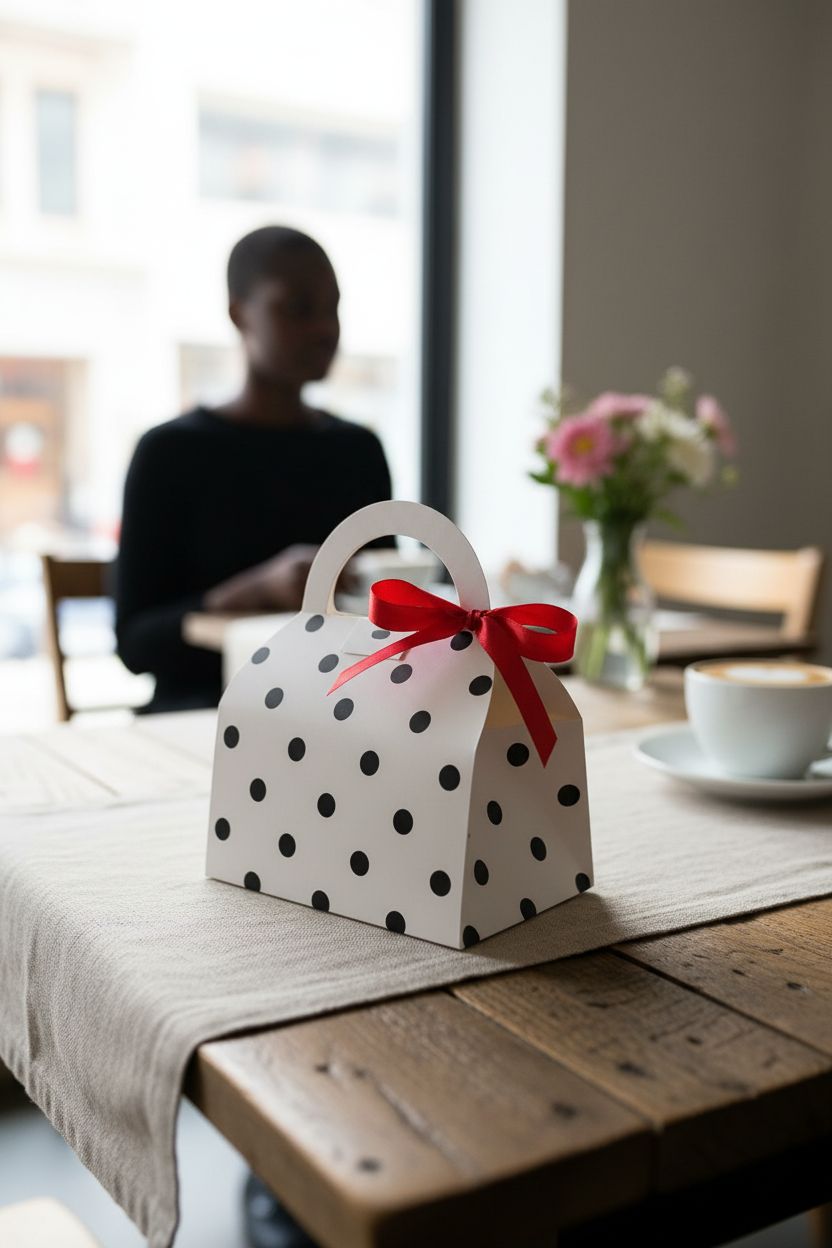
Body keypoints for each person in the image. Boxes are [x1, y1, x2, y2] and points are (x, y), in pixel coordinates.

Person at [114, 224, 395, 714]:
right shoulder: (169, 453)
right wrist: (252, 591)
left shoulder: (358, 450)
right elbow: (135, 644)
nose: (325, 328)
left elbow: (389, 612)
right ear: (239, 313)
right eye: (299, 307)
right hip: (204, 716)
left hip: (339, 717)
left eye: (333, 307)